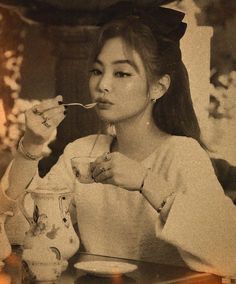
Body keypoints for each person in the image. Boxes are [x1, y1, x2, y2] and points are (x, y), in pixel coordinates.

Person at [1, 1, 236, 277]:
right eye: (97, 71)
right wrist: (30, 146)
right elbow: (17, 234)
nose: (102, 85)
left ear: (159, 86)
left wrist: (147, 182)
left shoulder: (182, 154)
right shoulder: (82, 152)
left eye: (122, 73)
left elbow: (229, 253)